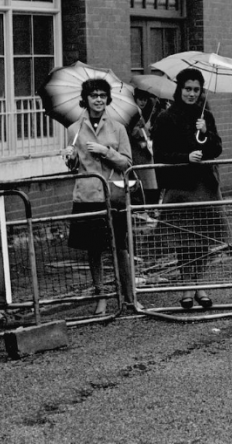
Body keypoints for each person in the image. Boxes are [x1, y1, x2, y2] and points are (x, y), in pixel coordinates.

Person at [152, 68, 228, 310]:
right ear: (179, 89)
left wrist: (206, 132)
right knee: (184, 240)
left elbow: (216, 148)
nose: (192, 94)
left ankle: (199, 286)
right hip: (180, 186)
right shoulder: (166, 117)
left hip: (204, 185)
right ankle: (186, 286)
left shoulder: (205, 116)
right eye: (187, 89)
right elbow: (160, 154)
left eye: (196, 90)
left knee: (202, 238)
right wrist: (186, 157)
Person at [63, 78, 136, 315]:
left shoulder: (118, 128)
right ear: (86, 99)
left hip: (112, 195)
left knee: (121, 247)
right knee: (94, 249)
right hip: (87, 197)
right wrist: (69, 157)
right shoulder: (74, 129)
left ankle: (129, 296)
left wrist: (106, 151)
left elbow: (127, 163)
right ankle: (101, 296)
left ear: (107, 99)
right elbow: (74, 168)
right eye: (94, 95)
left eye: (102, 95)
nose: (98, 100)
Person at [129, 88, 161, 205]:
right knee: (143, 183)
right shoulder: (133, 113)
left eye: (145, 100)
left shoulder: (142, 113)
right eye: (140, 99)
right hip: (138, 152)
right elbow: (132, 132)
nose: (143, 102)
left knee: (148, 183)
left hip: (145, 152)